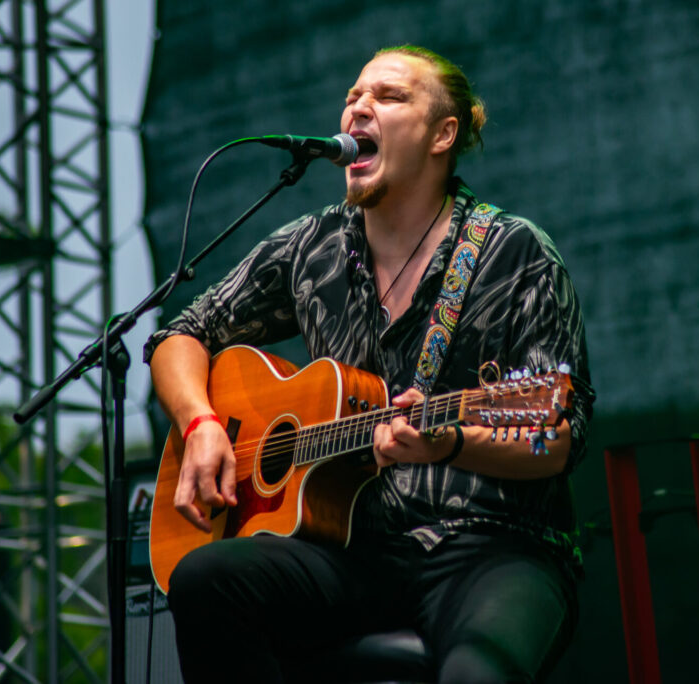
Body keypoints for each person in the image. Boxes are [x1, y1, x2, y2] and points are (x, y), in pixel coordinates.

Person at [144, 45, 594, 684]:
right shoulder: (314, 245)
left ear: (443, 135)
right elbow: (181, 334)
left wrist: (450, 443)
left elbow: (557, 436)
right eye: (353, 96)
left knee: (476, 675)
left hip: (493, 545)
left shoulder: (515, 254)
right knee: (205, 578)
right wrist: (201, 425)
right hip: (350, 551)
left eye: (388, 96)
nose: (358, 107)